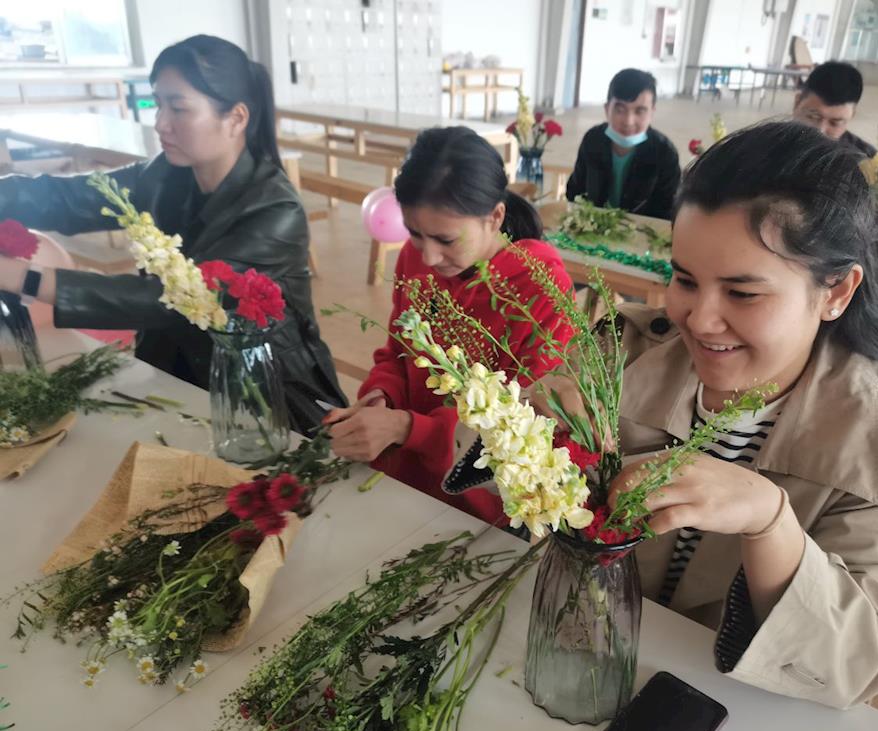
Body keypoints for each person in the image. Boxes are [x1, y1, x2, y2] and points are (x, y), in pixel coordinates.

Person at [534, 121, 878, 709]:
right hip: (581, 661)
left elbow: (858, 665)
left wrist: (770, 522)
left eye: (743, 293)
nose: (700, 319)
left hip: (729, 708)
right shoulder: (625, 351)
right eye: (684, 280)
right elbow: (505, 494)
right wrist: (531, 426)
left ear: (835, 292)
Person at [0, 35, 346, 431]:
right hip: (174, 370)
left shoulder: (274, 210)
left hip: (263, 393)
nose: (161, 123)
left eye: (178, 108)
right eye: (158, 104)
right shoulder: (166, 174)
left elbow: (172, 299)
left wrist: (22, 277)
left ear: (236, 118)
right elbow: (72, 198)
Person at [323, 126, 573, 523]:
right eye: (415, 234)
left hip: (478, 501)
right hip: (402, 475)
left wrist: (407, 428)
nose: (428, 257)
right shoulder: (415, 258)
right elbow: (398, 352)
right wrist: (381, 397)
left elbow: (521, 423)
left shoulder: (539, 288)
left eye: (446, 240)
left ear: (495, 217)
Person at [565, 68, 680, 220]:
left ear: (652, 112)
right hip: (593, 228)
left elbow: (668, 211)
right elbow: (574, 192)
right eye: (620, 110)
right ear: (607, 109)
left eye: (639, 111)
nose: (628, 121)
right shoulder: (593, 140)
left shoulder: (665, 153)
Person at [792, 61, 876, 159]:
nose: (821, 131)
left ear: (852, 115)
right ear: (797, 102)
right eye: (813, 117)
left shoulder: (867, 161)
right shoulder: (775, 142)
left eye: (835, 123)